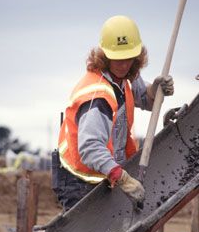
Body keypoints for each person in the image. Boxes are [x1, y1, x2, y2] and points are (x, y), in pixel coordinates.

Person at [54, 15, 174, 211]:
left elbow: (145, 97)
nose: (123, 64)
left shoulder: (124, 78)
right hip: (79, 181)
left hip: (106, 173)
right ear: (104, 55)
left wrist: (156, 90)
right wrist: (123, 178)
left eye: (128, 58)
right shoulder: (97, 97)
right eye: (117, 59)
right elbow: (90, 148)